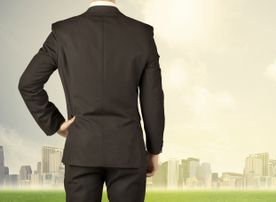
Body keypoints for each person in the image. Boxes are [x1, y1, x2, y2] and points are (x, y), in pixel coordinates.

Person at [17, 0, 165, 201]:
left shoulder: (63, 33)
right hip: (127, 150)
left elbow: (28, 84)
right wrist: (154, 150)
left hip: (81, 149)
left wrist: (57, 124)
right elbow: (153, 100)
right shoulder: (142, 34)